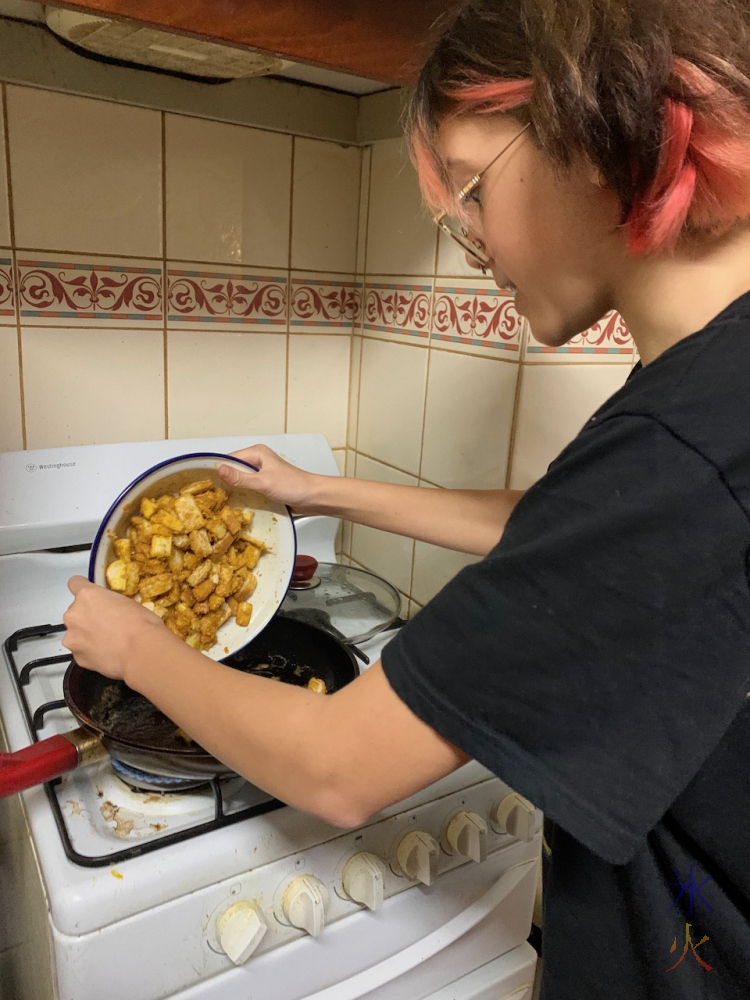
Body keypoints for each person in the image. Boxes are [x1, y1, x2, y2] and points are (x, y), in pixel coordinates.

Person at [62, 0, 750, 995]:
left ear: (586, 121)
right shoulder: (713, 401)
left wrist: (137, 647)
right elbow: (580, 546)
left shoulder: (684, 440)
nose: (473, 243)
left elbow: (339, 766)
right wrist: (317, 490)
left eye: (469, 192)